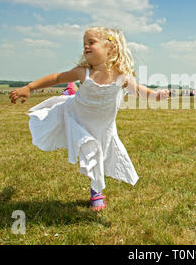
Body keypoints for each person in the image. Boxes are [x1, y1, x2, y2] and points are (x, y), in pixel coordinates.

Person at [9, 27, 169, 212]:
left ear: (110, 47)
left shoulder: (120, 76)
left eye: (91, 42)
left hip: (102, 126)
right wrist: (29, 87)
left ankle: (96, 192)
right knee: (87, 149)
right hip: (77, 116)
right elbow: (56, 77)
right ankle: (71, 93)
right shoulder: (82, 73)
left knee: (97, 154)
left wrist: (156, 95)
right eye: (84, 43)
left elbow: (139, 90)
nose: (86, 46)